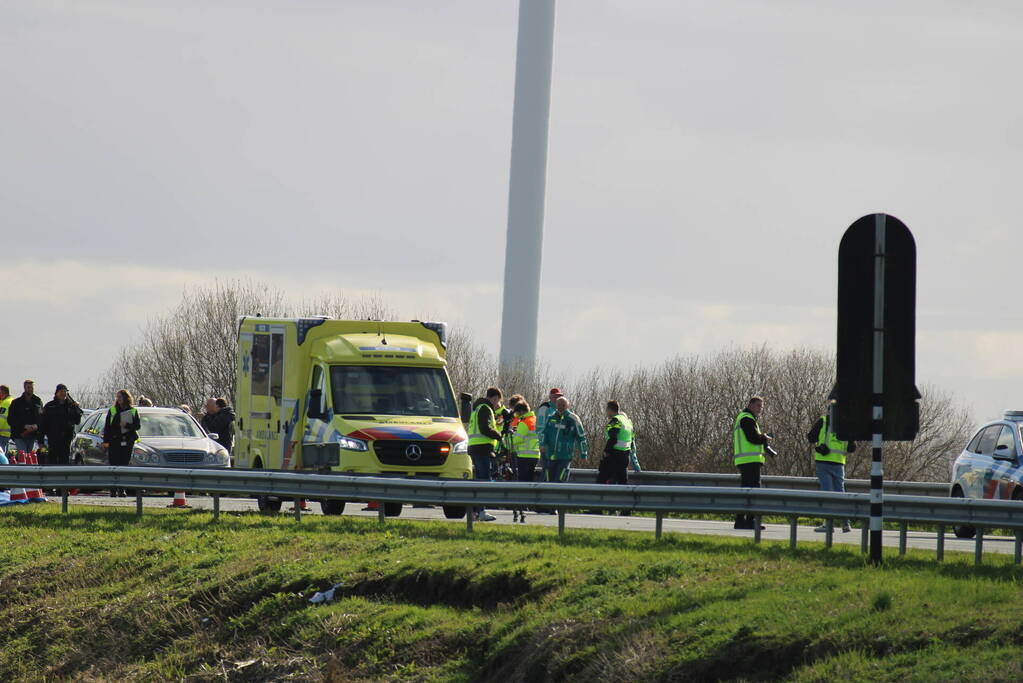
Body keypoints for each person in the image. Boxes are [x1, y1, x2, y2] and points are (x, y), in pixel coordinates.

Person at [807, 401, 856, 533]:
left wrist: (821, 443)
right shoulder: (846, 425)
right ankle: (846, 524)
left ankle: (828, 524)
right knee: (840, 493)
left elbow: (811, 437)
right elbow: (852, 448)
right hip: (839, 462)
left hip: (823, 461)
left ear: (829, 411)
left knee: (827, 493)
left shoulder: (823, 421)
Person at [732, 396, 772, 530]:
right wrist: (764, 438)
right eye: (758, 405)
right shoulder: (747, 418)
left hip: (745, 460)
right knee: (753, 491)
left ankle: (740, 521)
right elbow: (753, 438)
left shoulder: (745, 418)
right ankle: (751, 521)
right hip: (750, 460)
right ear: (750, 405)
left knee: (745, 491)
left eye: (762, 406)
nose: (760, 409)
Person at [467, 387, 503, 522]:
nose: (497, 404)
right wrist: (498, 435)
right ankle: (480, 511)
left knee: (479, 480)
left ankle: (476, 512)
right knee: (484, 480)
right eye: (497, 401)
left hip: (475, 447)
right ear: (494, 398)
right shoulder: (485, 408)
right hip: (482, 448)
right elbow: (484, 429)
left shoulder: (477, 408)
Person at [102, 390, 141, 497]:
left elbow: (137, 426)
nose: (118, 399)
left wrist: (127, 425)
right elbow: (107, 427)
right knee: (114, 465)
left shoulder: (133, 410)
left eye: (120, 397)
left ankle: (122, 489)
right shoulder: (113, 410)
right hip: (114, 441)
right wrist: (106, 441)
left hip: (127, 442)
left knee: (124, 465)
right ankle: (113, 489)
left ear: (126, 398)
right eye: (117, 397)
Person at [542, 396, 588, 484]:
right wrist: (542, 445)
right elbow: (544, 434)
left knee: (560, 480)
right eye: (559, 405)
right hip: (550, 456)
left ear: (567, 406)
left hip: (565, 457)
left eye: (563, 405)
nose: (561, 407)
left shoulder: (573, 419)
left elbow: (581, 438)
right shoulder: (551, 418)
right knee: (548, 481)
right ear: (556, 405)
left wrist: (584, 454)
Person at [510, 400, 539, 523]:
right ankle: (527, 504)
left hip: (524, 455)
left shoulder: (524, 422)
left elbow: (516, 440)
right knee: (528, 481)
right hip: (535, 455)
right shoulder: (535, 420)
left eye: (517, 414)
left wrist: (509, 436)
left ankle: (522, 505)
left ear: (521, 412)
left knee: (522, 481)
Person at [39, 384, 83, 465]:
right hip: (53, 439)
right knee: (52, 462)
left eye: (64, 392)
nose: (63, 393)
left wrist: (76, 408)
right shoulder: (49, 406)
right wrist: (41, 441)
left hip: (66, 440)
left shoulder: (71, 406)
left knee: (64, 462)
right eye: (61, 391)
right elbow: (42, 425)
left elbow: (77, 421)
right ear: (56, 393)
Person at [598, 400, 635, 486]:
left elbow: (613, 438)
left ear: (610, 410)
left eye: (606, 410)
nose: (606, 412)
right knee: (622, 482)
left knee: (601, 480)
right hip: (625, 456)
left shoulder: (616, 420)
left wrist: (606, 451)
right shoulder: (627, 421)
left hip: (614, 456)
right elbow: (632, 440)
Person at [8, 380, 43, 455]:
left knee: (30, 456)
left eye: (32, 387)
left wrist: (37, 425)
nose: (30, 389)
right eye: (28, 387)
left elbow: (41, 417)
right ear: (24, 388)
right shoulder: (16, 403)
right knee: (23, 455)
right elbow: (11, 420)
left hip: (33, 435)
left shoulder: (37, 401)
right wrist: (24, 426)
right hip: (19, 434)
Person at [536, 388, 563, 483]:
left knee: (553, 470)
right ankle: (542, 489)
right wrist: (542, 444)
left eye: (559, 397)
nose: (557, 399)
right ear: (550, 397)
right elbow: (540, 428)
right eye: (555, 397)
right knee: (547, 470)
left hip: (556, 447)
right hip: (547, 446)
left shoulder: (559, 409)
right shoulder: (545, 408)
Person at [0, 385, 12, 455]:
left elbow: (1, 418)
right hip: (6, 433)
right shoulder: (9, 401)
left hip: (2, 433)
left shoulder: (5, 403)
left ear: (3, 393)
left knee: (1, 454)